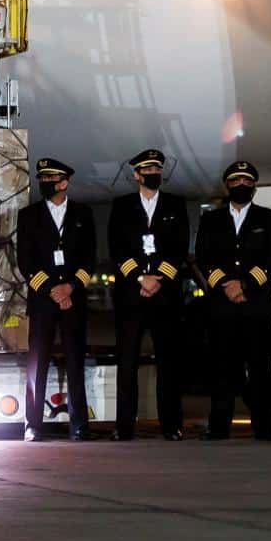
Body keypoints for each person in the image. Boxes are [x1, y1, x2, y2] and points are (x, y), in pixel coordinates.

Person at [194, 162, 271, 440]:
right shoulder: (211, 219)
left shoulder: (269, 218)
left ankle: (264, 425)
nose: (241, 186)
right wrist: (226, 284)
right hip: (222, 305)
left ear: (254, 186)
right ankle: (219, 426)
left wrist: (245, 284)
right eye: (236, 181)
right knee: (222, 368)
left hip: (256, 304)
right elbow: (203, 257)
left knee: (260, 368)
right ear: (227, 186)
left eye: (247, 181)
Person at [108, 148, 191, 440]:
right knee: (127, 362)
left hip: (165, 296)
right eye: (148, 170)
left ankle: (171, 425)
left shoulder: (175, 204)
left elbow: (180, 248)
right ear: (137, 175)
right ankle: (124, 426)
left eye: (157, 169)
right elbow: (116, 249)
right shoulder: (121, 206)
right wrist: (139, 278)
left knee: (168, 362)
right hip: (131, 295)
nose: (153, 173)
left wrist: (159, 279)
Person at [15, 158, 97, 441]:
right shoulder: (29, 215)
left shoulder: (83, 214)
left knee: (75, 361)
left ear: (64, 183)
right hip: (43, 300)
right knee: (37, 364)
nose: (45, 183)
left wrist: (70, 288)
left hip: (73, 300)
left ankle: (79, 425)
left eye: (51, 179)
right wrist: (53, 290)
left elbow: (89, 258)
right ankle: (33, 424)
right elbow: (25, 261)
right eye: (43, 178)